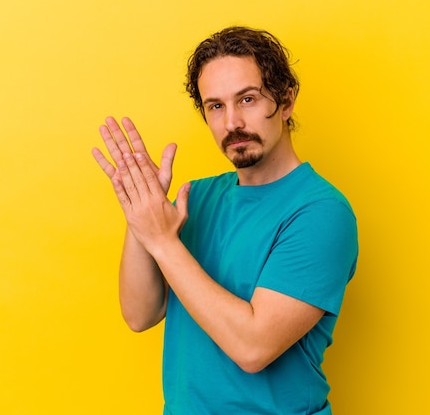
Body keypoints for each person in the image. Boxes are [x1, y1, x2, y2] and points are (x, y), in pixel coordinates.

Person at [92, 26, 358, 415]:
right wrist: (141, 215)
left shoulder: (321, 212)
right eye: (215, 106)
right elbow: (139, 314)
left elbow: (253, 348)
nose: (232, 122)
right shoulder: (195, 197)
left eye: (247, 99)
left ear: (286, 102)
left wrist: (164, 241)